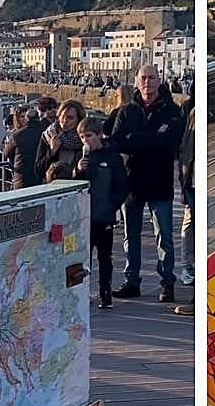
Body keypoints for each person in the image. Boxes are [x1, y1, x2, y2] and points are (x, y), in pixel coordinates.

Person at [111, 65, 185, 303]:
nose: (147, 82)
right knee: (130, 235)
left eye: (152, 78)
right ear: (136, 81)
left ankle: (167, 283)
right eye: (143, 78)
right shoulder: (127, 111)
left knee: (164, 235)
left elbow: (169, 143)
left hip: (160, 181)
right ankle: (131, 281)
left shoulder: (172, 111)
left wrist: (136, 138)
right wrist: (150, 137)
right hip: (131, 182)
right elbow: (117, 142)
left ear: (159, 79)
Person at [75, 116, 129, 309]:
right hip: (84, 216)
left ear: (98, 135)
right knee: (83, 258)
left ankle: (105, 293)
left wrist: (111, 206)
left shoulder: (111, 156)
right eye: (81, 137)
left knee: (105, 257)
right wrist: (78, 171)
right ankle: (83, 292)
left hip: (103, 215)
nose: (85, 141)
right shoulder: (81, 157)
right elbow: (74, 186)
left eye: (88, 136)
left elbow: (122, 185)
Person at [177, 99, 195, 287]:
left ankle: (189, 266)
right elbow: (184, 153)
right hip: (191, 182)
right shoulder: (192, 116)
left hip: (193, 181)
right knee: (190, 225)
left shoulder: (193, 113)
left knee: (190, 225)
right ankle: (188, 266)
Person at [5, 105, 42, 190]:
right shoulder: (42, 130)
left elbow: (6, 153)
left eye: (25, 116)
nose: (24, 119)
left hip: (22, 175)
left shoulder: (16, 135)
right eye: (22, 116)